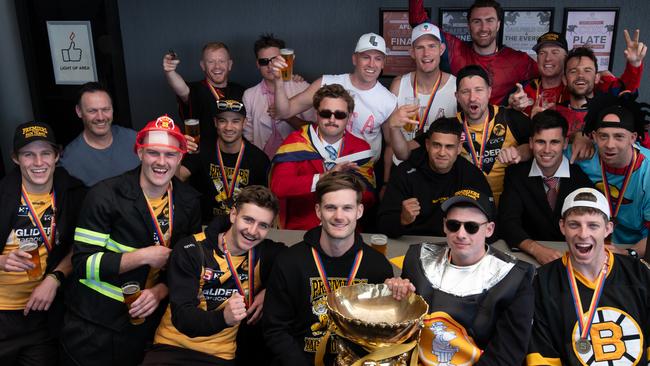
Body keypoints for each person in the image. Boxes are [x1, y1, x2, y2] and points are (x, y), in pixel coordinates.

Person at [61, 116, 202, 366]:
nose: (161, 162)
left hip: (147, 322)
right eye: (153, 153)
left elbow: (187, 266)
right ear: (139, 153)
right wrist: (144, 256)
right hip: (94, 325)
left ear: (180, 158)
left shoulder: (189, 200)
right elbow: (82, 264)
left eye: (169, 155)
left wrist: (159, 292)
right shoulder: (104, 195)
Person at [141, 185, 285, 366]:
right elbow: (183, 317)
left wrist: (269, 291)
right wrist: (224, 317)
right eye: (248, 220)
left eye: (263, 225)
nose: (253, 231)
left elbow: (303, 262)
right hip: (171, 347)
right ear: (233, 215)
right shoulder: (192, 249)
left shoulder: (265, 254)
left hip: (220, 356)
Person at [264, 172, 396, 366]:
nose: (339, 216)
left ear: (359, 211)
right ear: (318, 211)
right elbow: (275, 330)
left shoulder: (378, 267)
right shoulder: (290, 262)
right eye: (330, 208)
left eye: (347, 208)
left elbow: (381, 335)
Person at [397, 189, 535, 365]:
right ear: (444, 226)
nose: (461, 234)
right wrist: (394, 294)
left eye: (471, 227)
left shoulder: (514, 277)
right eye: (454, 225)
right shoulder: (417, 259)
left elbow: (506, 355)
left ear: (489, 229)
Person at [526, 188, 650, 365]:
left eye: (593, 225)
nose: (583, 234)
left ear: (608, 228)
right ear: (562, 227)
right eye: (574, 224)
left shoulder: (639, 273)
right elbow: (541, 358)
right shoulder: (542, 283)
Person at [0, 122, 85, 365]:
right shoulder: (3, 195)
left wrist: (55, 277)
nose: (38, 163)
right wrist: (3, 260)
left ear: (57, 155)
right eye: (29, 154)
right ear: (16, 159)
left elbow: (80, 247)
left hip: (44, 317)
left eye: (45, 153)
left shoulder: (73, 193)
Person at [393, 65, 532, 204]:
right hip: (466, 208)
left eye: (479, 90)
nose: (472, 98)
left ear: (489, 92)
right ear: (457, 96)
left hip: (509, 205)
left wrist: (520, 152)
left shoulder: (511, 118)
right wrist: (393, 127)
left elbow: (541, 146)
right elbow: (403, 153)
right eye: (465, 92)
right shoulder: (449, 126)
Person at [269, 33, 397, 160]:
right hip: (321, 165)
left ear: (383, 63)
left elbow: (391, 145)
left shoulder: (389, 101)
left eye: (378, 58)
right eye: (366, 57)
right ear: (354, 59)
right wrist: (278, 82)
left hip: (362, 170)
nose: (371, 64)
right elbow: (284, 112)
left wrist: (385, 180)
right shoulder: (325, 83)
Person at [270, 84, 375, 230]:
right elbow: (279, 187)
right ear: (316, 113)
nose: (332, 119)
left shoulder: (360, 148)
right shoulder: (296, 142)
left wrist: (340, 182)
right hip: (302, 229)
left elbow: (369, 197)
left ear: (349, 117)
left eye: (339, 115)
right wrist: (324, 177)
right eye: (326, 114)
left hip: (346, 229)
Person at [499, 110, 594, 265]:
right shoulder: (516, 175)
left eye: (554, 142)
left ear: (565, 143)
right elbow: (508, 222)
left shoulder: (580, 179)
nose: (547, 150)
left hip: (571, 257)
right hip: (527, 257)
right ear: (530, 143)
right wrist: (536, 250)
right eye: (540, 142)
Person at [378, 117, 491, 238]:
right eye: (437, 145)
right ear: (427, 145)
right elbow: (381, 225)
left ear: (458, 149)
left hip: (454, 244)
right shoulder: (405, 171)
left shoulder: (471, 174)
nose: (442, 153)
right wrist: (402, 219)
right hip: (409, 242)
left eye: (449, 147)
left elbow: (490, 221)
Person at [409, 0, 538, 104]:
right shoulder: (455, 49)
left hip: (501, 133)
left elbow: (549, 78)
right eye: (477, 21)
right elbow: (418, 21)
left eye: (489, 20)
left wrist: (526, 100)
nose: (483, 28)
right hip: (460, 130)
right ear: (468, 25)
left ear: (498, 24)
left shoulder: (519, 60)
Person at [571, 94, 650, 258]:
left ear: (633, 138)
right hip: (588, 245)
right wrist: (522, 151)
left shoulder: (647, 171)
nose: (609, 145)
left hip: (636, 248)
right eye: (603, 136)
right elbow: (548, 152)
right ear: (593, 136)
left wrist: (629, 254)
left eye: (619, 136)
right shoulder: (584, 155)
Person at [508, 30, 646, 117]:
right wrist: (512, 107)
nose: (548, 58)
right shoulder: (525, 89)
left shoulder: (584, 84)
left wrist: (634, 64)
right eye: (542, 53)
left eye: (555, 52)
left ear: (565, 58)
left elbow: (626, 88)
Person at [178, 99, 270, 224]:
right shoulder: (201, 150)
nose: (228, 127)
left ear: (244, 123)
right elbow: (178, 177)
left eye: (235, 121)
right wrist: (177, 152)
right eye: (223, 121)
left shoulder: (259, 159)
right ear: (215, 122)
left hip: (242, 228)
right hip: (204, 226)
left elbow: (264, 203)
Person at [243, 33, 315, 158]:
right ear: (257, 64)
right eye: (264, 61)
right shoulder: (249, 95)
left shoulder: (302, 87)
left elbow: (314, 130)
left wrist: (286, 115)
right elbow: (248, 135)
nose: (270, 66)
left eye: (275, 60)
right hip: (262, 161)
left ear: (285, 60)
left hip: (296, 159)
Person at [163, 42, 246, 145]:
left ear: (229, 65)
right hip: (201, 156)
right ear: (203, 65)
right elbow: (181, 88)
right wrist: (170, 72)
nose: (217, 66)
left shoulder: (242, 92)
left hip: (235, 155)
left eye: (222, 61)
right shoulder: (195, 90)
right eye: (211, 61)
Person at [60, 82, 140, 187]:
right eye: (92, 111)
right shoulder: (70, 160)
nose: (101, 117)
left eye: (105, 109)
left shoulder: (134, 139)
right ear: (79, 111)